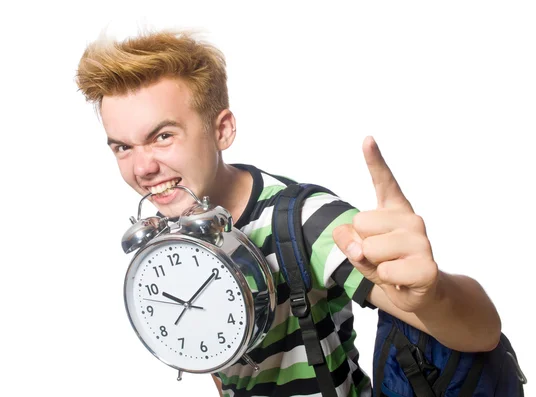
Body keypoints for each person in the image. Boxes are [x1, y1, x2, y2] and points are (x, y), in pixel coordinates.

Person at [75, 29, 501, 397]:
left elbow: (482, 332)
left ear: (221, 129)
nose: (143, 168)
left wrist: (434, 295)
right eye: (123, 147)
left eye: (162, 136)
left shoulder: (305, 222)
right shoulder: (175, 226)